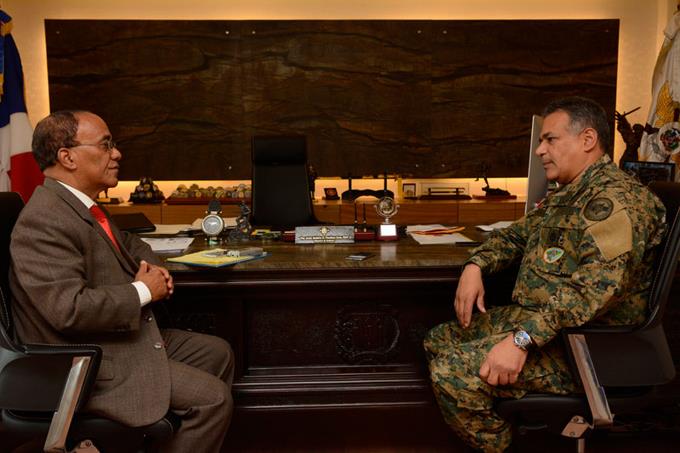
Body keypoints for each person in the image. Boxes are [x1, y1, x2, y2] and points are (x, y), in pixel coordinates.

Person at [424, 97, 667, 453]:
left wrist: (520, 341)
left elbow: (593, 291)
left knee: (451, 372)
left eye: (550, 139)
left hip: (591, 348)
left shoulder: (617, 202)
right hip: (553, 329)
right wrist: (475, 266)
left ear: (587, 140)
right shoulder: (571, 194)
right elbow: (515, 236)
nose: (540, 150)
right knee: (439, 340)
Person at [9, 110, 234, 452]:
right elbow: (69, 310)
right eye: (105, 145)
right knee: (212, 399)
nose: (117, 153)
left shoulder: (82, 207)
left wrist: (153, 270)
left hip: (111, 339)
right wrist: (143, 290)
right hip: (83, 362)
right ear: (67, 157)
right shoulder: (44, 220)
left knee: (217, 353)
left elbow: (131, 244)